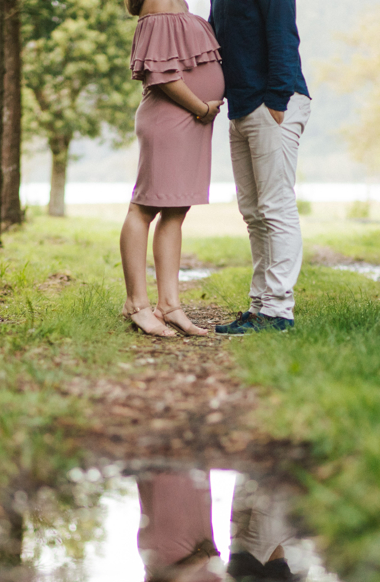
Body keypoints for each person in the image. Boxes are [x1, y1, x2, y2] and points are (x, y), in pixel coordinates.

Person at [119, 0, 225, 337]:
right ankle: (137, 303)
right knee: (144, 207)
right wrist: (201, 108)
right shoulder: (157, 17)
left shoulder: (183, 14)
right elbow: (162, 75)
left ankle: (169, 305)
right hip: (173, 119)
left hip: (192, 120)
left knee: (176, 210)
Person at [208, 0, 311, 334]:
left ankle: (279, 312)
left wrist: (277, 100)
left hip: (273, 103)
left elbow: (283, 36)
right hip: (239, 108)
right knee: (252, 211)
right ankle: (259, 308)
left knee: (275, 206)